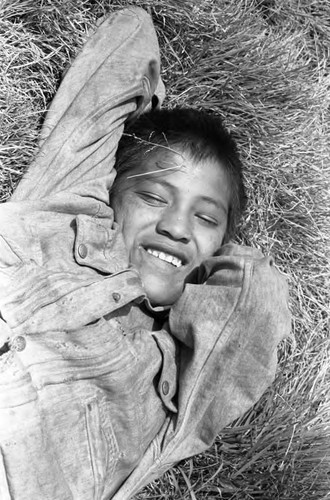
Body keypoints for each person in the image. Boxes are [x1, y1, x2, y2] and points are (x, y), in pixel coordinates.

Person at [0, 7, 291, 500]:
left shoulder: (177, 382)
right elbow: (129, 34)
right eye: (153, 198)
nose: (176, 226)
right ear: (110, 191)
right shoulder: (63, 212)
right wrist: (145, 126)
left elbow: (256, 299)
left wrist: (213, 259)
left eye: (206, 218)